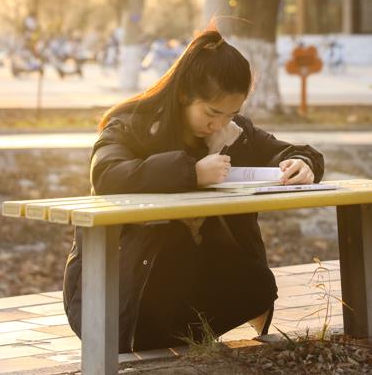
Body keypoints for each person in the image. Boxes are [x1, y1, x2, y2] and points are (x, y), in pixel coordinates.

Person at [63, 29, 324, 352]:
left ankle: (189, 332)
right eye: (212, 113)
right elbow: (107, 173)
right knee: (153, 314)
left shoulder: (233, 132)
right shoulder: (134, 125)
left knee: (257, 284)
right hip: (125, 287)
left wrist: (302, 162)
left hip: (192, 275)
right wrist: (191, 172)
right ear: (185, 93)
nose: (219, 124)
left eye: (230, 114)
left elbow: (284, 150)